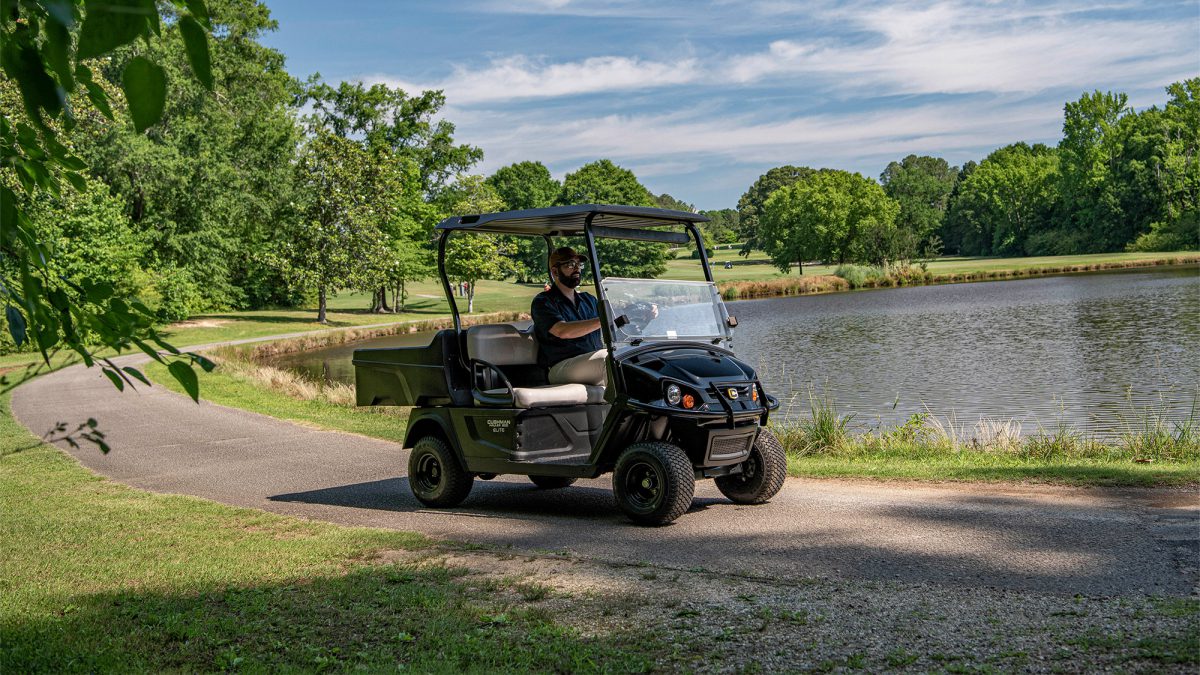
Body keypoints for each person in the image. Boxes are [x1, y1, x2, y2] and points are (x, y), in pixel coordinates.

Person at [530, 247, 605, 386]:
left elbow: (612, 323)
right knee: (606, 358)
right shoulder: (543, 302)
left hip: (591, 362)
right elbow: (562, 330)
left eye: (579, 264)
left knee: (630, 357)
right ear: (555, 271)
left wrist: (639, 315)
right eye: (570, 265)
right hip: (561, 367)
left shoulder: (589, 300)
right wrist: (604, 320)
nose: (577, 269)